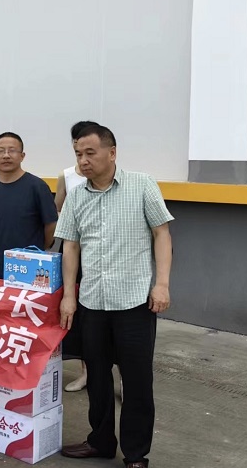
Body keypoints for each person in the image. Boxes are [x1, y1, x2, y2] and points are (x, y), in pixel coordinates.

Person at [55, 124, 173, 468]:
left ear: (112, 152)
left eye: (90, 153)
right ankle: (101, 441)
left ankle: (136, 454)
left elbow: (162, 234)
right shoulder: (76, 195)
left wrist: (162, 284)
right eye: (78, 154)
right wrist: (69, 296)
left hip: (135, 301)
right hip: (93, 302)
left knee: (137, 381)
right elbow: (71, 246)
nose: (83, 160)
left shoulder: (142, 184)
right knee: (98, 377)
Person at [55, 120, 99, 393]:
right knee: (82, 314)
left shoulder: (114, 176)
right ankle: (86, 372)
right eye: (77, 148)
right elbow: (59, 210)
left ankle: (122, 376)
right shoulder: (67, 176)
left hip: (104, 252)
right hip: (75, 251)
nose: (83, 157)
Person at [0, 132, 58, 279]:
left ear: (22, 156)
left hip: (29, 266)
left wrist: (40, 248)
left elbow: (51, 225)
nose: (6, 155)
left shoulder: (37, 186)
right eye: (1, 151)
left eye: (12, 150)